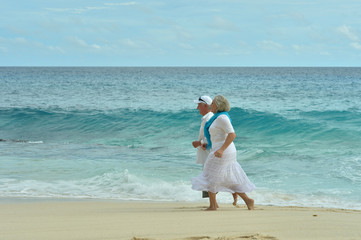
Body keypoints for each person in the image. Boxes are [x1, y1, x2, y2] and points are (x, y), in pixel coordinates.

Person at [191, 95, 255, 211]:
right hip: (218, 149)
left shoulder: (222, 118)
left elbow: (232, 134)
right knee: (223, 177)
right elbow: (216, 136)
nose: (211, 105)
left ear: (218, 105)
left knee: (209, 174)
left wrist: (221, 149)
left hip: (223, 150)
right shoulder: (216, 118)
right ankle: (247, 200)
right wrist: (207, 144)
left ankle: (213, 206)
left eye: (213, 103)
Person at [192, 96, 214, 198]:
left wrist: (198, 143)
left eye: (199, 105)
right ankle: (212, 203)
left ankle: (213, 204)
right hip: (207, 152)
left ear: (205, 105)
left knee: (209, 177)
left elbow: (211, 137)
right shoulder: (207, 118)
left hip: (209, 152)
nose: (197, 108)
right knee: (208, 177)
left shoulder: (209, 118)